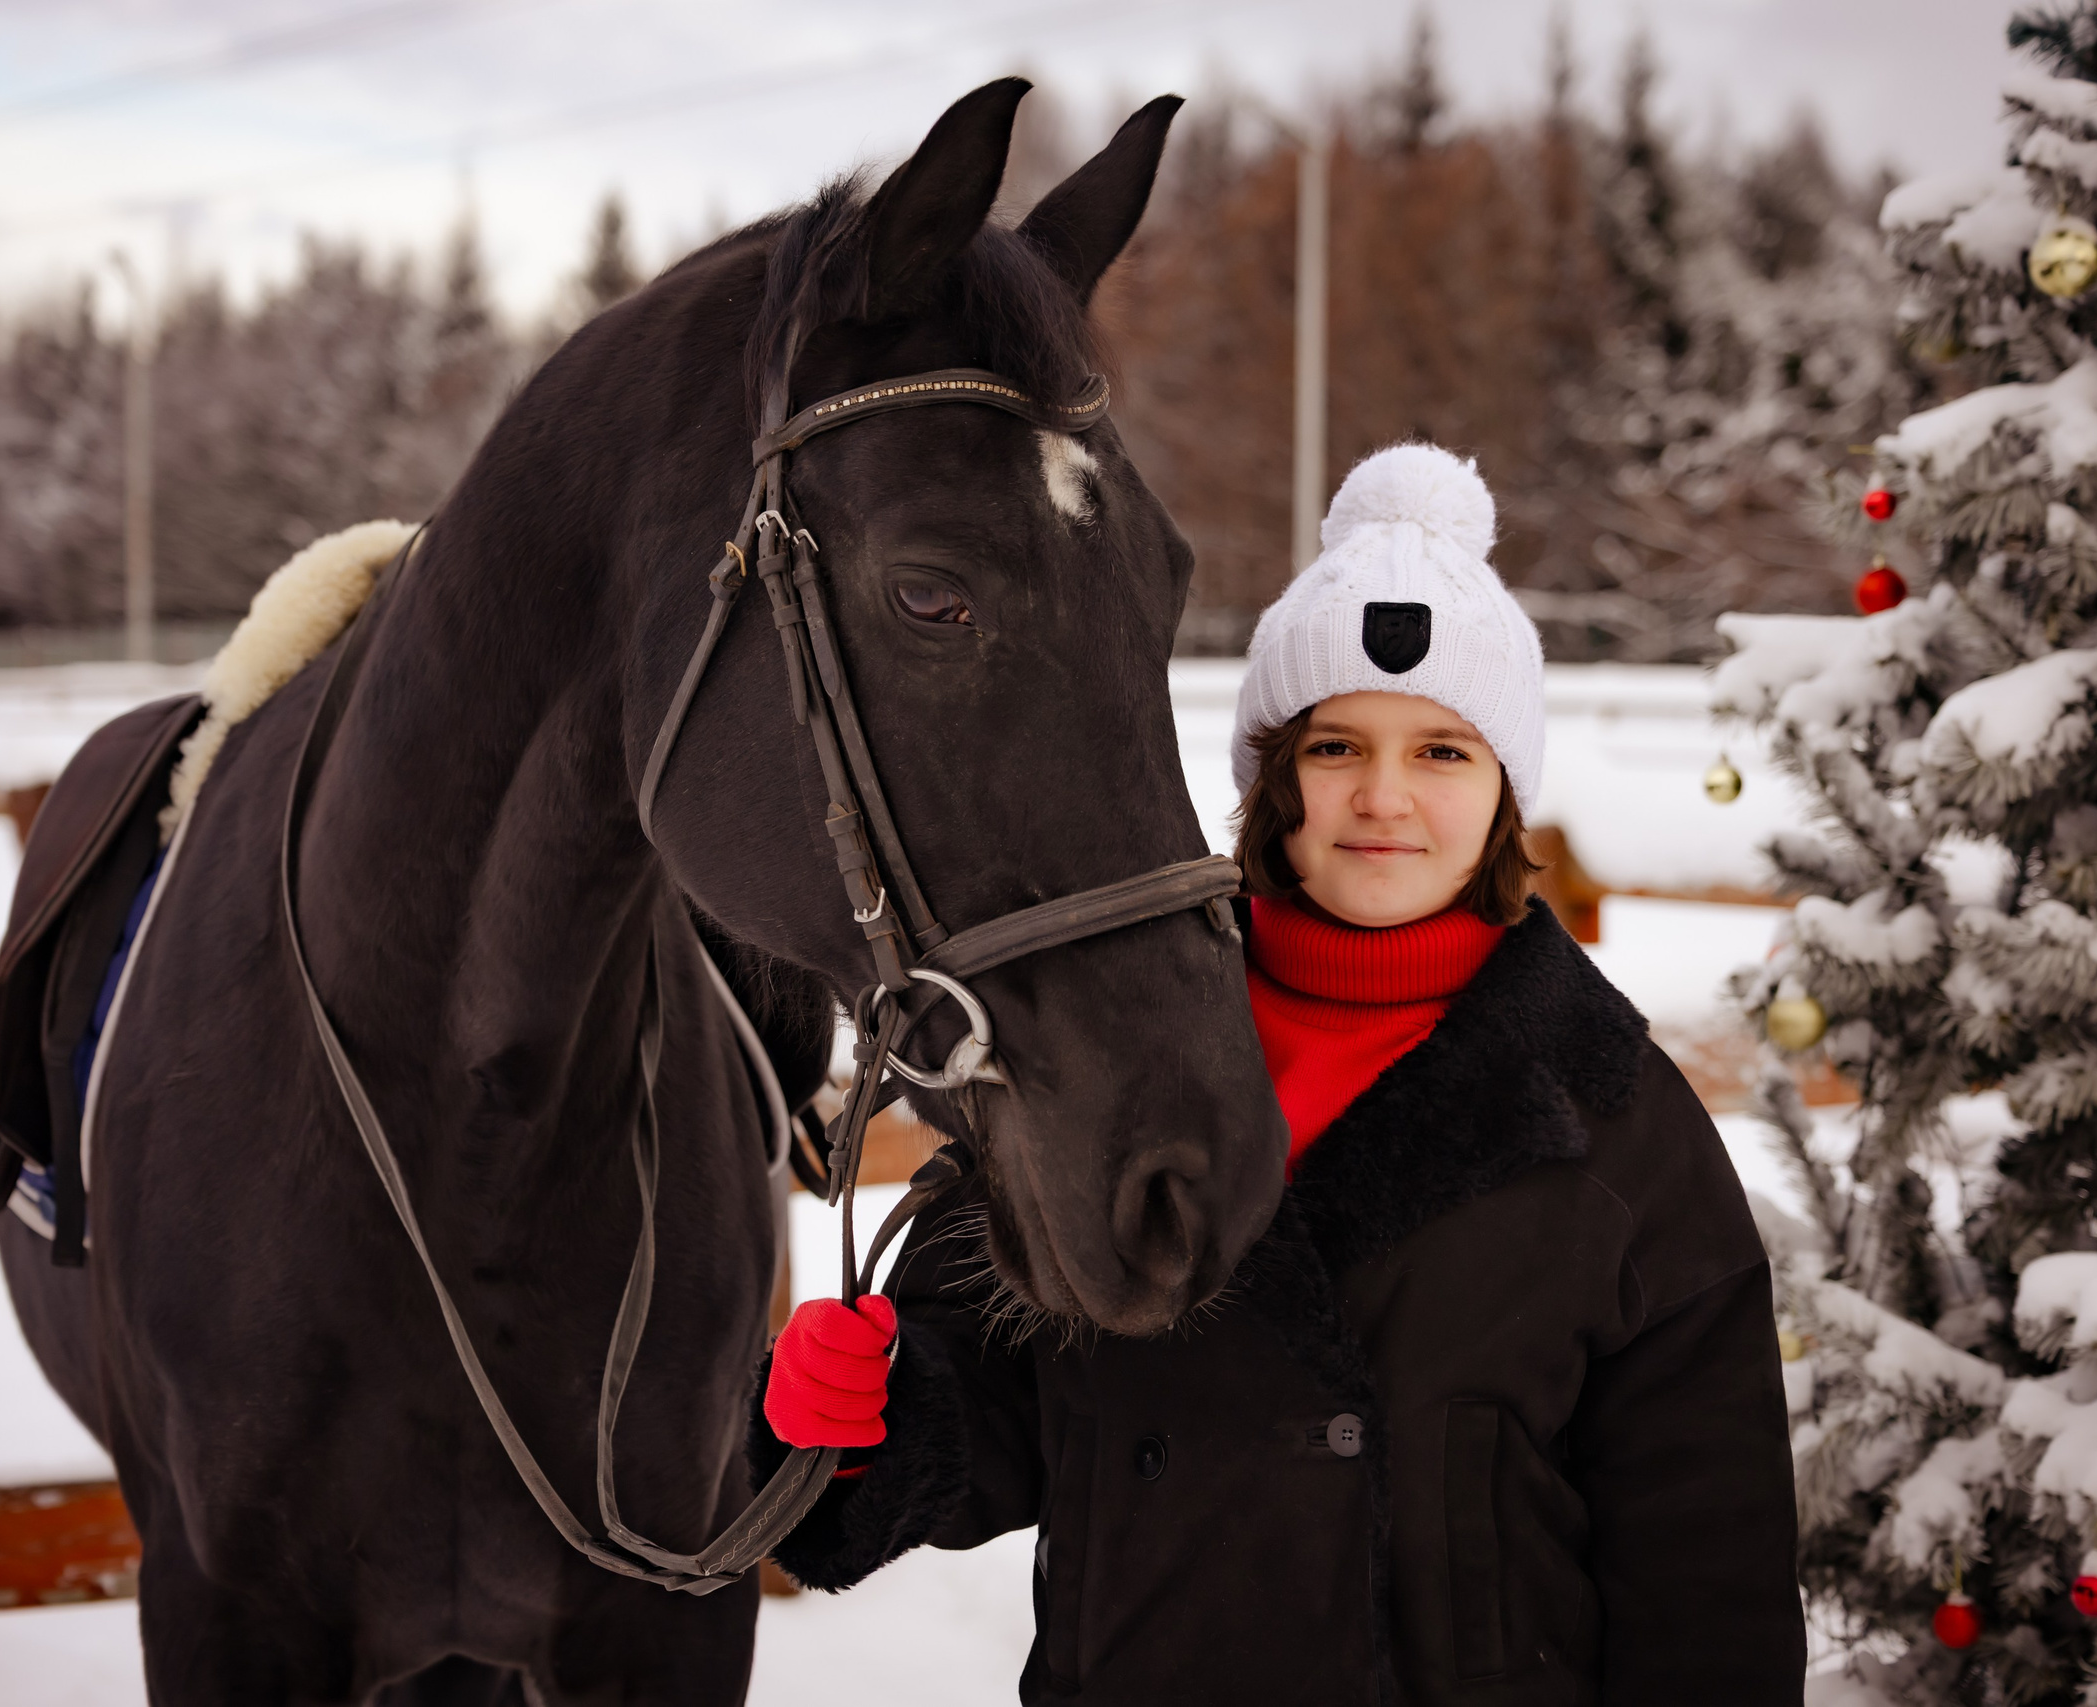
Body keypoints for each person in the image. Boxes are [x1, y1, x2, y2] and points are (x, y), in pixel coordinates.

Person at [752, 444, 1805, 1704]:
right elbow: (997, 1407)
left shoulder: (1617, 1122)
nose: (1382, 798)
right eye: (1336, 746)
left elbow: (1707, 1574)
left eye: (1442, 753)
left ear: (1507, 792)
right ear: (1274, 776)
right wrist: (869, 1416)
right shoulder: (1107, 1060)